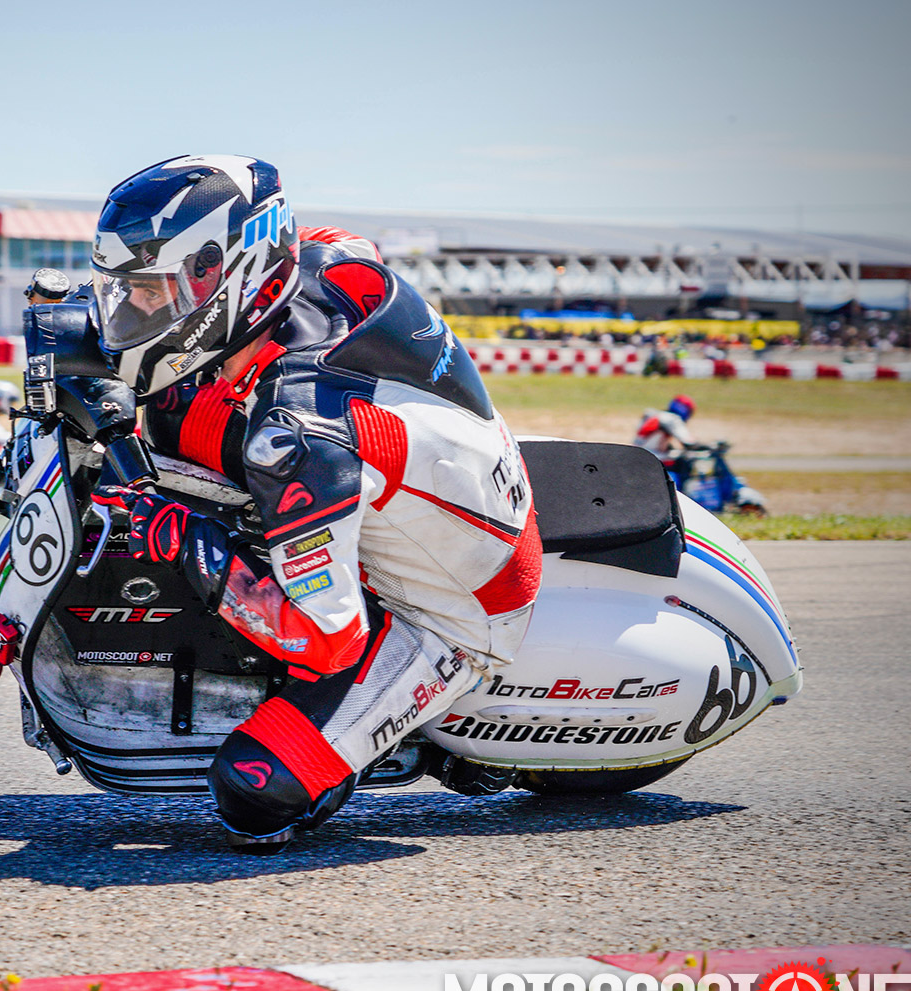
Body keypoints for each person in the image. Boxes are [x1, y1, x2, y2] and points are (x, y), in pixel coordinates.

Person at [72, 155, 541, 847]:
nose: (131, 310)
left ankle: (370, 746)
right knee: (171, 415)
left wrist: (186, 538)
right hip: (419, 489)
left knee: (253, 792)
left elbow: (327, 640)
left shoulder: (299, 441)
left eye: (149, 291)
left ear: (224, 277)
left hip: (447, 610)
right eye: (123, 289)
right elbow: (347, 244)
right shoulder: (307, 260)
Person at [634, 394, 695, 464]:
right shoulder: (672, 419)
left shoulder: (651, 414)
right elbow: (689, 443)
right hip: (654, 458)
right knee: (687, 459)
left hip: (637, 455)